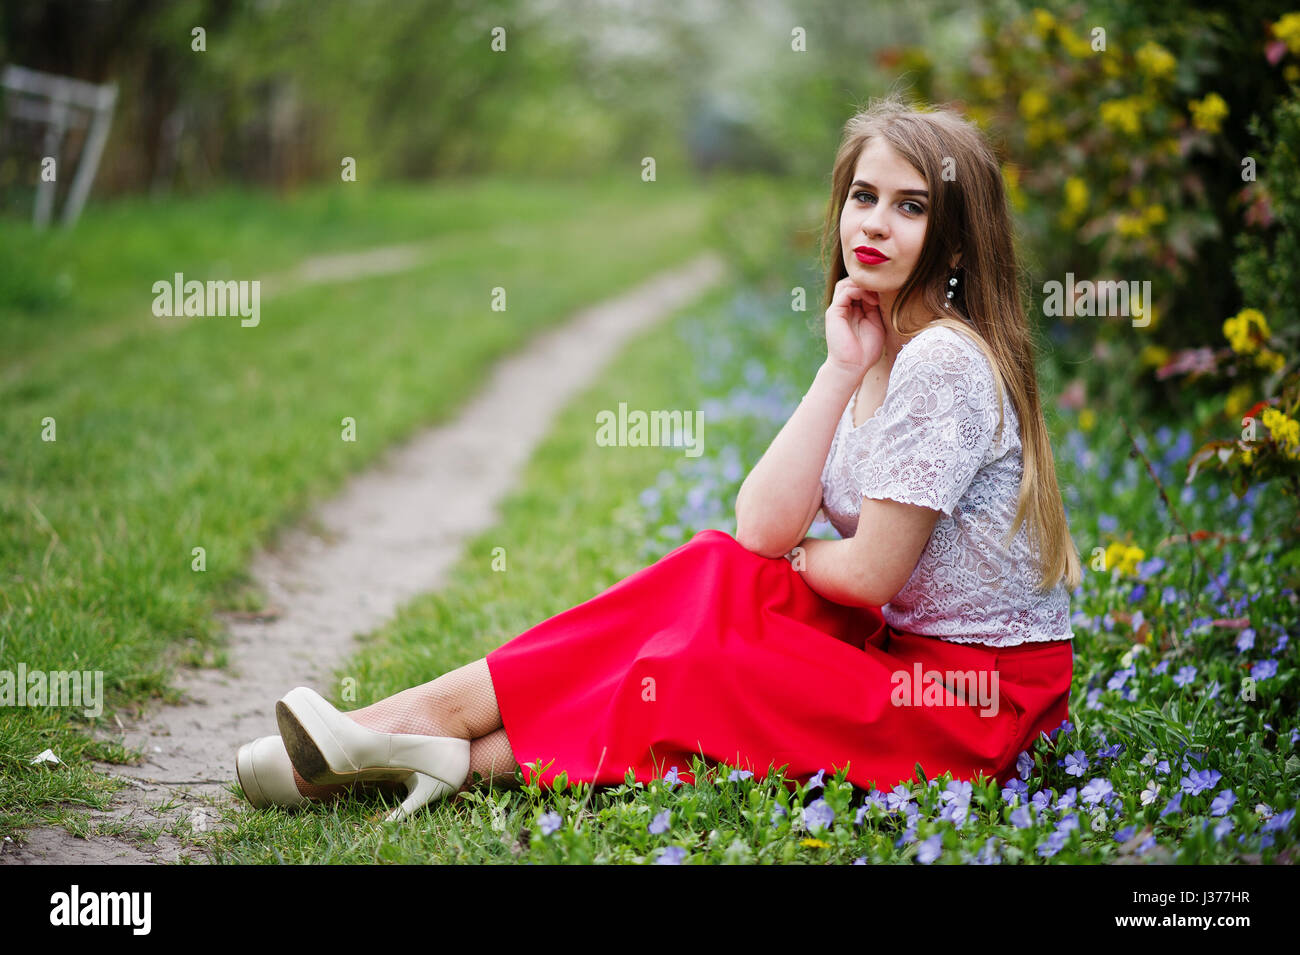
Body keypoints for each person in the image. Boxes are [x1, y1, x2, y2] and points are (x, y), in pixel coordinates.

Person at [236, 94, 1083, 823]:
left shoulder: (944, 361)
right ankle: (410, 741)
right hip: (907, 663)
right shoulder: (881, 348)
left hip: (974, 708)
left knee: (700, 662)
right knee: (719, 569)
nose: (874, 222)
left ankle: (404, 736)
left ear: (960, 243)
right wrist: (838, 370)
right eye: (863, 195)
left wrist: (798, 558)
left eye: (911, 207)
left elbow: (863, 576)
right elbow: (759, 527)